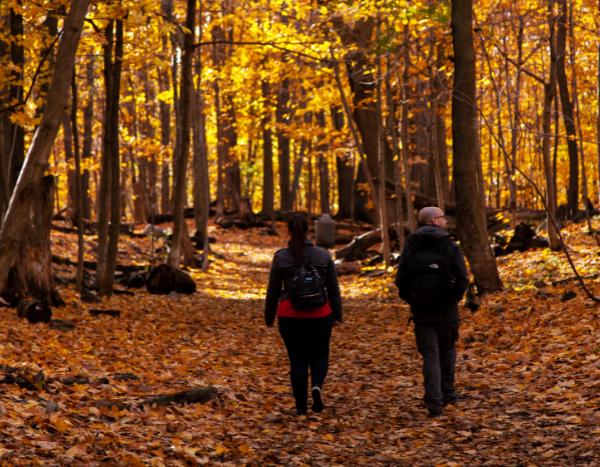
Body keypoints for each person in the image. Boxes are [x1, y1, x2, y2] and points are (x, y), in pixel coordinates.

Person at [265, 214, 342, 416]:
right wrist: (337, 316)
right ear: (309, 231)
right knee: (320, 354)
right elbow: (333, 289)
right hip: (320, 313)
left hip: (289, 314)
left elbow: (273, 290)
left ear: (289, 232)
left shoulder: (281, 256)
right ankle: (316, 386)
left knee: (298, 360)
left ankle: (300, 407)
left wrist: (269, 317)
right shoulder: (324, 255)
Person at [395, 207, 469, 417]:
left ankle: (433, 404)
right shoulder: (449, 244)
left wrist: (415, 301)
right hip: (447, 311)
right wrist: (453, 299)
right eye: (443, 218)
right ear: (435, 221)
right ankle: (449, 395)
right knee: (447, 351)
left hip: (421, 312)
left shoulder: (411, 245)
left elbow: (401, 280)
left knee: (430, 356)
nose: (446, 221)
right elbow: (462, 277)